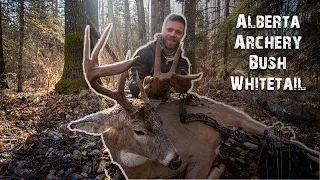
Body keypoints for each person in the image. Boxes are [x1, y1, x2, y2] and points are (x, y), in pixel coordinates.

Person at [129, 13, 192, 100]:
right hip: (144, 102)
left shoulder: (182, 62)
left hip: (168, 104)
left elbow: (179, 87)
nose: (173, 34)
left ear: (182, 35)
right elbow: (133, 82)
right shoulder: (143, 53)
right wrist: (148, 87)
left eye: (178, 32)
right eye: (169, 30)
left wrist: (183, 86)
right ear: (163, 30)